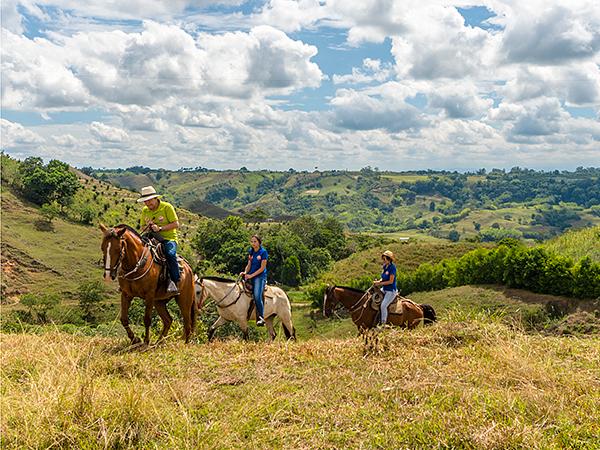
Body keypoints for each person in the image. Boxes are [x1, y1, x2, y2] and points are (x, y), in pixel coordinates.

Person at [138, 186, 180, 294]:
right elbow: (142, 227)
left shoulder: (167, 207)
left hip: (168, 238)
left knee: (170, 254)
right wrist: (148, 226)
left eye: (149, 200)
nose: (147, 203)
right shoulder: (145, 211)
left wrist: (160, 228)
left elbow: (176, 224)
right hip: (150, 237)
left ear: (155, 198)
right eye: (145, 201)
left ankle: (174, 281)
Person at [241, 235, 268, 326]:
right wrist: (245, 272)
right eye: (252, 241)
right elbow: (249, 265)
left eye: (255, 241)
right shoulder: (251, 251)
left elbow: (262, 268)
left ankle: (261, 317)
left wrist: (251, 275)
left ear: (259, 242)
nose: (253, 243)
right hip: (250, 275)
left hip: (260, 277)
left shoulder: (263, 252)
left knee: (257, 296)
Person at [373, 250, 397, 326]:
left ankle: (383, 323)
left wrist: (380, 283)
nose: (383, 260)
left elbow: (390, 281)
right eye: (383, 259)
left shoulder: (392, 268)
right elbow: (383, 278)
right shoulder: (384, 266)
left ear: (389, 259)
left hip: (390, 291)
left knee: (383, 305)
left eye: (384, 259)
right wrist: (378, 282)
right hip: (384, 289)